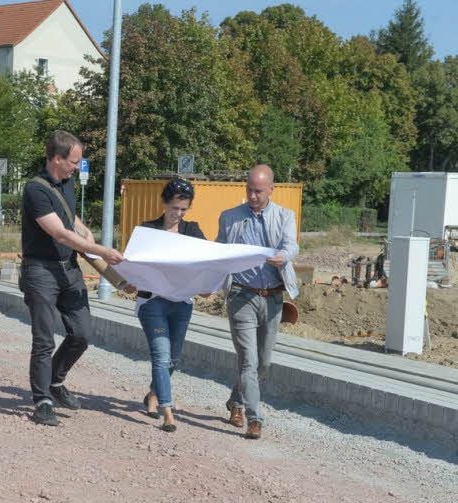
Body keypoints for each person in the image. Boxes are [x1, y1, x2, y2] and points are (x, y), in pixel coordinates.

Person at [20, 130, 124, 426]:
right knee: (44, 339)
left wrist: (84, 229)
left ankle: (55, 381)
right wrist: (101, 250)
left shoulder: (66, 182)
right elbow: (59, 233)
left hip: (69, 268)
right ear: (57, 158)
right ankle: (42, 401)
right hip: (41, 271)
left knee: (82, 333)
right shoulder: (35, 190)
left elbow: (67, 219)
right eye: (74, 162)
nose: (77, 167)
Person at [216, 164, 299, 440]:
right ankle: (255, 418)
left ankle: (235, 400)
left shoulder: (285, 216)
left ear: (271, 189)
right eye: (249, 190)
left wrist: (283, 256)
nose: (253, 196)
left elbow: (292, 245)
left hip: (273, 298)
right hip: (242, 296)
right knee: (248, 360)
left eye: (259, 191)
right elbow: (219, 251)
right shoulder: (230, 217)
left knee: (263, 361)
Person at [134, 178, 206, 432]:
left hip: (181, 303)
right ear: (164, 204)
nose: (178, 213)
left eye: (184, 209)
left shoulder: (193, 232)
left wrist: (208, 284)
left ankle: (153, 395)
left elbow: (207, 261)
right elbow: (135, 262)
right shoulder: (147, 230)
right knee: (162, 356)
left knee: (173, 358)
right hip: (152, 302)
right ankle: (168, 412)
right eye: (174, 208)